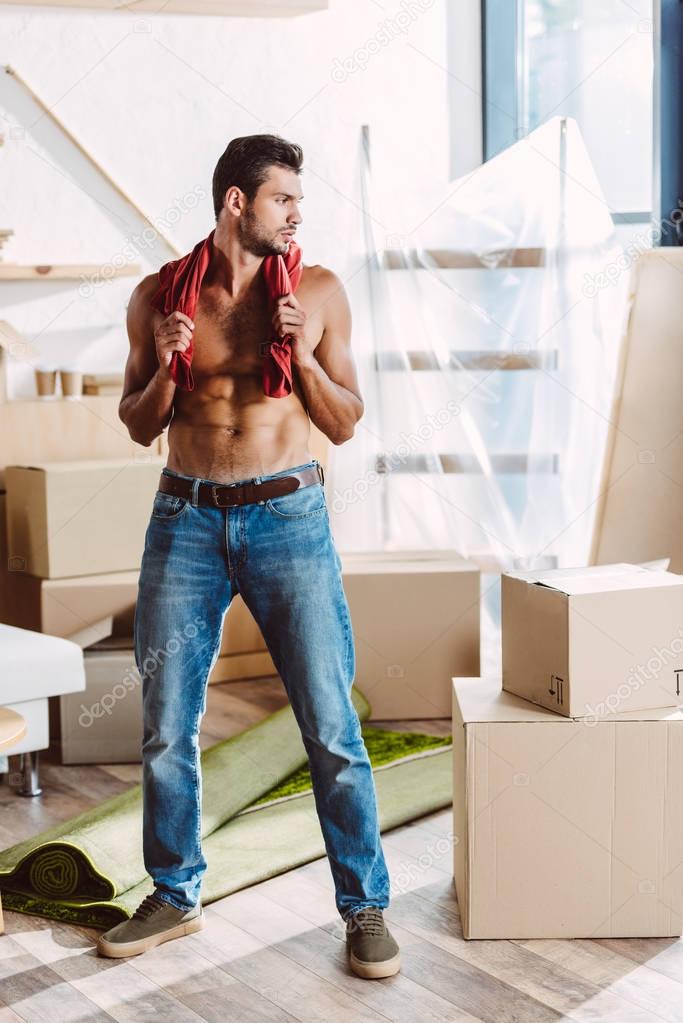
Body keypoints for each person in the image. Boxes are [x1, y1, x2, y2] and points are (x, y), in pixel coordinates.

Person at [96, 134, 400, 979]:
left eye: (298, 201)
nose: (297, 214)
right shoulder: (160, 296)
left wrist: (299, 354)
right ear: (237, 202)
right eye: (283, 200)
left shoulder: (319, 290)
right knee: (166, 726)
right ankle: (174, 894)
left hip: (286, 516)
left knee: (330, 726)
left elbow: (342, 421)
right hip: (184, 518)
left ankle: (365, 905)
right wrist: (165, 362)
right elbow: (137, 421)